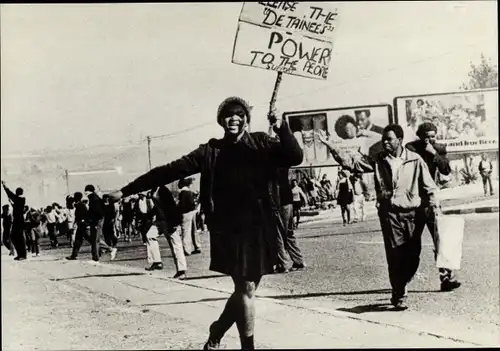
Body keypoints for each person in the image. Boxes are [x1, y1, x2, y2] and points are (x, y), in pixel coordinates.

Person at [107, 96, 303, 349]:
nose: (234, 118)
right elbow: (168, 170)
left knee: (249, 288)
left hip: (260, 224)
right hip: (229, 227)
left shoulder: (261, 142)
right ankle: (248, 347)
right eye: (228, 114)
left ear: (246, 119)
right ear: (221, 120)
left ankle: (217, 330)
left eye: (239, 114)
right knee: (245, 288)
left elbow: (294, 156)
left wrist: (281, 127)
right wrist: (125, 191)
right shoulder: (210, 151)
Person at [317, 124, 439, 310]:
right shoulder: (378, 160)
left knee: (413, 254)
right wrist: (331, 145)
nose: (385, 142)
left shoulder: (415, 160)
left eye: (389, 139)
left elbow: (429, 186)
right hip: (390, 213)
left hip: (414, 214)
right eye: (384, 139)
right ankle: (399, 292)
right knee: (395, 254)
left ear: (399, 140)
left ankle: (402, 281)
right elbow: (352, 163)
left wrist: (434, 207)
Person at [405, 122, 461, 292]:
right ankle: (403, 280)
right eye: (426, 136)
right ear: (419, 136)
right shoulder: (411, 149)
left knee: (441, 239)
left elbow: (445, 171)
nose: (429, 139)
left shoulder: (439, 149)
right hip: (413, 202)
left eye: (433, 136)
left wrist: (434, 154)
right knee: (411, 243)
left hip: (431, 201)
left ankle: (447, 278)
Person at [275, 168, 306, 273]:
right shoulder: (284, 164)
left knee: (278, 233)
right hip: (289, 201)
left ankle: (283, 264)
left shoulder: (271, 164)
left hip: (280, 202)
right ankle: (298, 260)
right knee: (289, 233)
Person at [1, 181, 27, 260]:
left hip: (18, 221)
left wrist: (5, 186)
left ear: (17, 193)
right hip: (19, 220)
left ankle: (22, 255)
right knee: (16, 237)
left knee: (17, 237)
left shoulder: (18, 199)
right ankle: (21, 254)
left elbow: (9, 193)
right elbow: (17, 207)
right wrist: (11, 203)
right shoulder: (21, 199)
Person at [178, 177, 202, 256]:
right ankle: (197, 246)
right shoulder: (190, 193)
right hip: (192, 212)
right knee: (194, 231)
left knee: (186, 232)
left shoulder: (182, 193)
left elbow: (181, 205)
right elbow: (192, 204)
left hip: (185, 213)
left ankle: (187, 250)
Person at [66, 192, 91, 261]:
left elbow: (83, 216)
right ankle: (74, 255)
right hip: (81, 225)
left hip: (83, 225)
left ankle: (107, 248)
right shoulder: (80, 205)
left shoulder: (80, 205)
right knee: (78, 241)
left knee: (91, 239)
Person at [85, 184, 106, 262]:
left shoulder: (94, 199)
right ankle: (97, 255)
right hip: (97, 220)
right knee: (95, 239)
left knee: (95, 239)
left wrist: (95, 220)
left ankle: (96, 257)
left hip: (97, 221)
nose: (85, 193)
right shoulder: (94, 198)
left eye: (86, 192)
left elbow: (98, 212)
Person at [102, 194, 119, 260]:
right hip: (104, 221)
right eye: (105, 198)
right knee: (105, 234)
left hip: (110, 221)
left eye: (107, 198)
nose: (106, 199)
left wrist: (113, 219)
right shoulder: (102, 205)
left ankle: (113, 243)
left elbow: (113, 212)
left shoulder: (111, 204)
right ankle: (108, 246)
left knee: (111, 233)